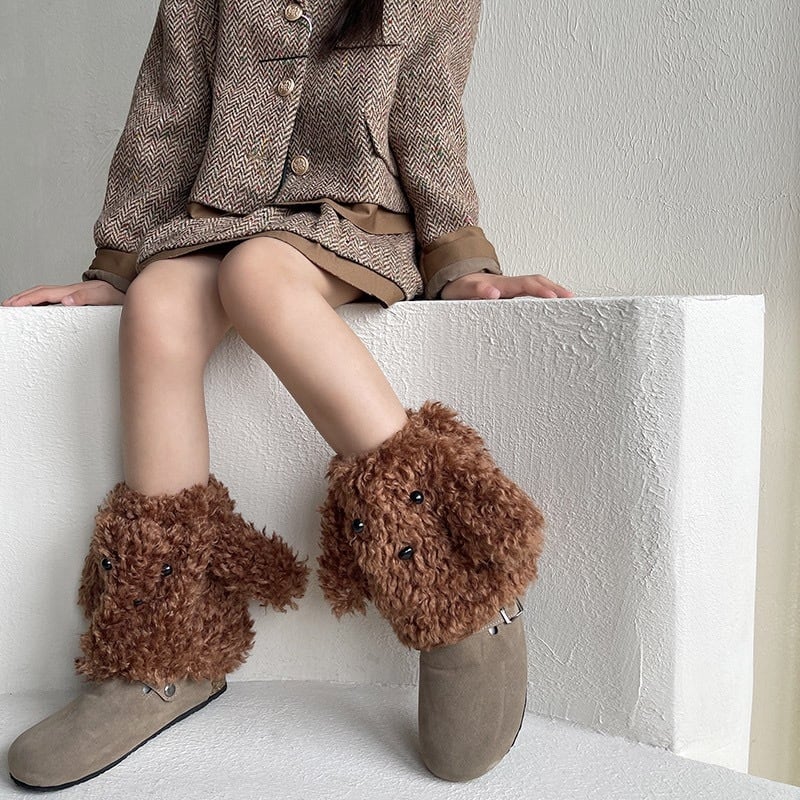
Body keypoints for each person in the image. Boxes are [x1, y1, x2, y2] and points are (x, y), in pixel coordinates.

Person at [2, 0, 572, 789]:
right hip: (218, 223)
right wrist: (114, 268)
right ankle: (167, 646)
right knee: (159, 302)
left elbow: (431, 117)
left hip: (356, 224)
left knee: (258, 276)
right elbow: (166, 116)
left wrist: (460, 260)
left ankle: (458, 585)